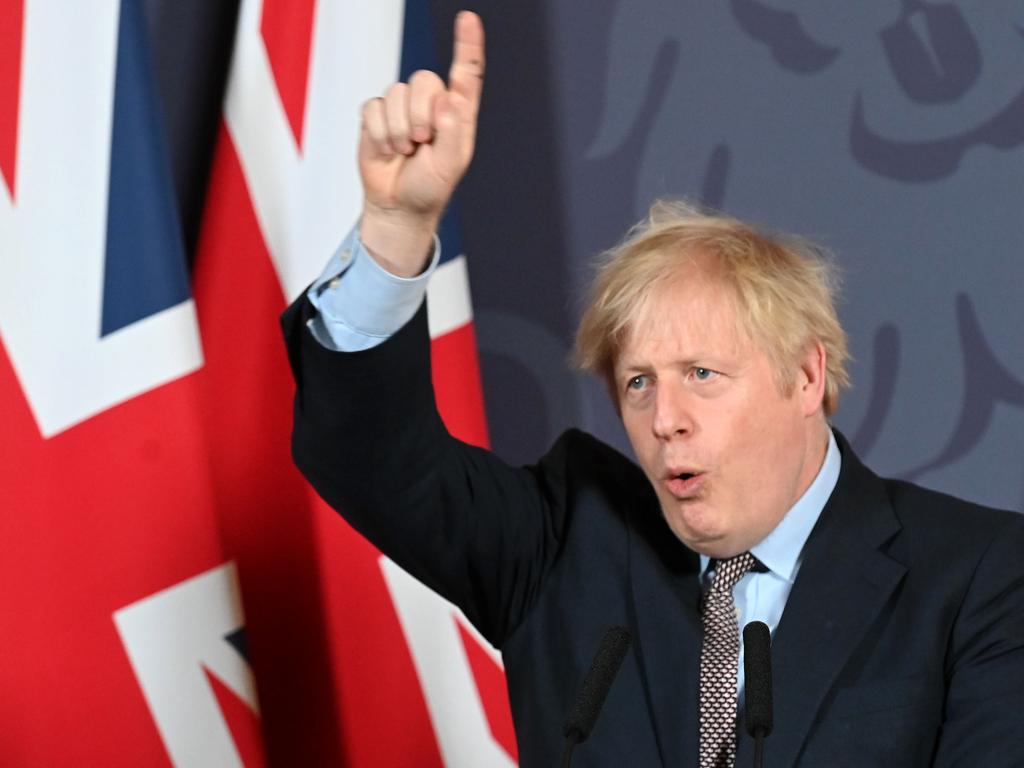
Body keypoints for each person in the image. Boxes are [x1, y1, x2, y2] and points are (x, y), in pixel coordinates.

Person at [281, 11, 1024, 766]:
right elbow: (365, 456)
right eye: (639, 383)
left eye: (702, 375)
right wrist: (399, 224)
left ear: (805, 376)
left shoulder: (978, 576)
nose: (665, 419)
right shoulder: (566, 541)